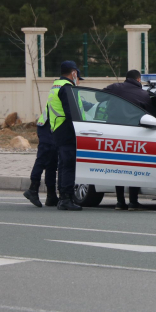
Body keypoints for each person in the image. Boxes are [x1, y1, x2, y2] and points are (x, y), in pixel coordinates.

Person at [102, 70, 155, 211]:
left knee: (118, 167)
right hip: (134, 134)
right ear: (138, 79)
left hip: (113, 133)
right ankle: (133, 202)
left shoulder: (115, 88)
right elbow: (152, 115)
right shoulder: (143, 94)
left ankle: (120, 202)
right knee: (133, 167)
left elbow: (98, 96)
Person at [49, 60, 85, 211]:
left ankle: (63, 197)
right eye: (77, 76)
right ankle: (66, 198)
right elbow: (71, 112)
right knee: (69, 164)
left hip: (58, 129)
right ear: (74, 73)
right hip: (68, 129)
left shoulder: (56, 85)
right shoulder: (67, 88)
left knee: (63, 164)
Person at [23, 100, 59, 208]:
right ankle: (32, 189)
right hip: (47, 127)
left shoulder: (64, 86)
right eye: (78, 81)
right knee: (43, 158)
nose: (78, 82)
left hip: (52, 126)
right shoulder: (64, 87)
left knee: (52, 160)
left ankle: (51, 195)